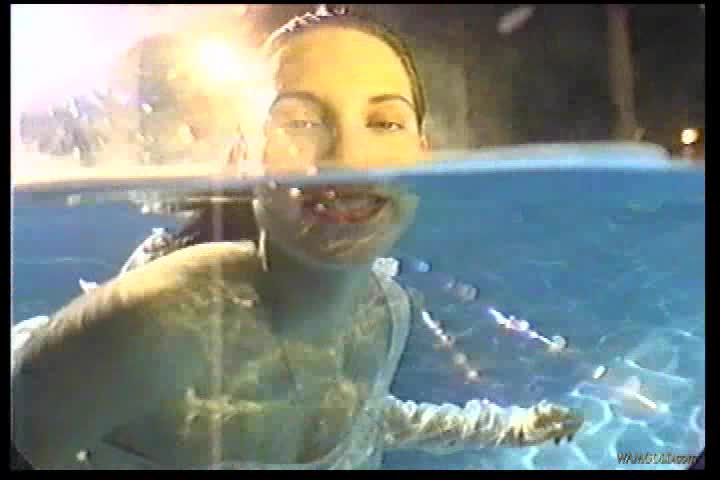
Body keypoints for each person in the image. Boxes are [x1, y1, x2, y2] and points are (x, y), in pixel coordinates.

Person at [11, 6, 583, 470]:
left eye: (384, 122)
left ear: (422, 156)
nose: (348, 159)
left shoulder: (388, 310)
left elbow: (362, 415)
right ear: (243, 160)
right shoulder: (162, 321)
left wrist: (509, 428)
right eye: (300, 121)